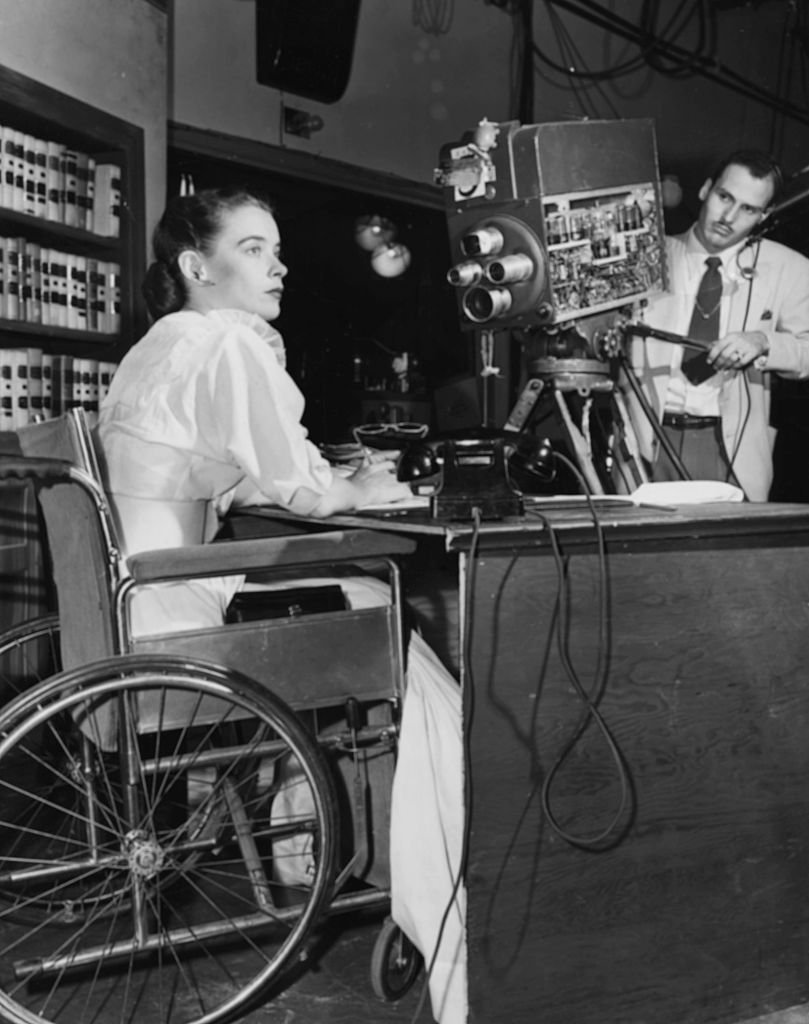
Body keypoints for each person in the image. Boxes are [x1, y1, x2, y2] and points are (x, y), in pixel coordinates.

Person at [95, 186, 467, 1024]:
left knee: (346, 594)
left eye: (275, 248)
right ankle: (443, 903)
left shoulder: (158, 346)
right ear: (199, 267)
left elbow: (253, 466)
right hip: (183, 631)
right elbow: (297, 484)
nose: (279, 264)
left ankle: (314, 852)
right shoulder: (224, 340)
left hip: (130, 614)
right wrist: (358, 482)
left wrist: (323, 479)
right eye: (254, 248)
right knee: (378, 595)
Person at [624, 149, 809, 500]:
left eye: (748, 209)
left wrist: (763, 342)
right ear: (705, 190)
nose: (729, 217)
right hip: (647, 444)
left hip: (730, 449)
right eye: (725, 197)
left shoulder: (791, 268)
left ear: (764, 215)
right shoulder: (648, 258)